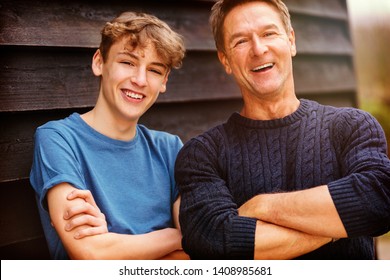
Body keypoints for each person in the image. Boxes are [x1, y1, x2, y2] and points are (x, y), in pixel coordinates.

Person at [174, 0, 390, 259]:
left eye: (269, 33)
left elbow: (379, 200)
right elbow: (215, 243)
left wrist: (263, 205)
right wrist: (341, 224)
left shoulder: (353, 127)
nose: (258, 48)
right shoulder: (202, 155)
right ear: (226, 60)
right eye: (240, 41)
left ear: (291, 41)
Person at [30, 11, 188, 260]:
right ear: (99, 62)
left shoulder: (170, 149)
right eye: (127, 62)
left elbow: (200, 245)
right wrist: (177, 237)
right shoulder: (58, 139)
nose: (139, 80)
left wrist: (114, 246)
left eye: (155, 70)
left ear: (164, 81)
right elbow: (90, 252)